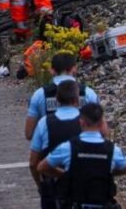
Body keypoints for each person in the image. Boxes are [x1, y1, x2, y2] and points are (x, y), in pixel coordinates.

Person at [38, 103, 126, 208]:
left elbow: (42, 167)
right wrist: (105, 172)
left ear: (81, 122)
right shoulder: (113, 150)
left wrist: (65, 175)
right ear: (101, 123)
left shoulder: (68, 147)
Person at [30, 80, 83, 209]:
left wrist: (41, 186)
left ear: (57, 100)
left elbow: (33, 163)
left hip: (55, 188)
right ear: (77, 99)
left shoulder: (44, 123)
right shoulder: (88, 121)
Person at [25, 53, 99, 140]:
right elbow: (99, 129)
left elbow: (29, 133)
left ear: (51, 70)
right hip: (80, 149)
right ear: (74, 69)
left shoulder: (39, 95)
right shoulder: (88, 93)